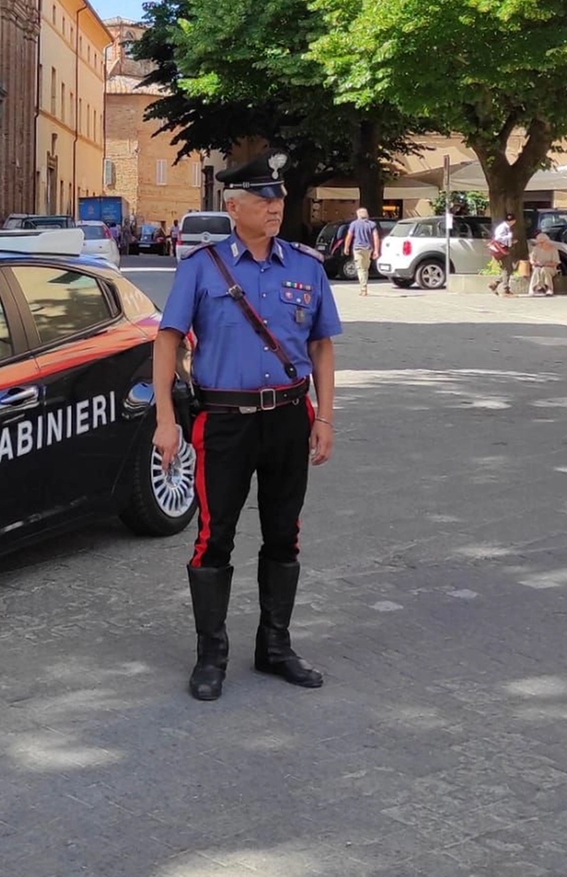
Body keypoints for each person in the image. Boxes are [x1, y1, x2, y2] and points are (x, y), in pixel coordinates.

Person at [152, 149, 342, 702]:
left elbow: (321, 347)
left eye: (279, 197)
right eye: (263, 198)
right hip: (225, 422)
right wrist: (166, 419)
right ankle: (211, 654)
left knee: (286, 533)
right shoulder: (202, 268)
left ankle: (275, 646)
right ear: (234, 207)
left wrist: (325, 416)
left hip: (288, 417)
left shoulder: (305, 267)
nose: (275, 206)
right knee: (216, 537)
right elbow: (167, 341)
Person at [341, 207, 383, 296]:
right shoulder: (372, 224)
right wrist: (376, 250)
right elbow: (376, 237)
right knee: (365, 268)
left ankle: (363, 289)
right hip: (368, 249)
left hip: (358, 248)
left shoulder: (354, 224)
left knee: (360, 269)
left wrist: (346, 247)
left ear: (358, 215)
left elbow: (349, 236)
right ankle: (364, 286)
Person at [489, 212, 518, 296]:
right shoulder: (503, 227)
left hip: (504, 249)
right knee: (507, 268)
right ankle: (505, 289)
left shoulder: (506, 227)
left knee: (509, 269)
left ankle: (495, 283)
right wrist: (509, 237)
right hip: (502, 250)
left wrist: (511, 241)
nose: (510, 222)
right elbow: (498, 238)